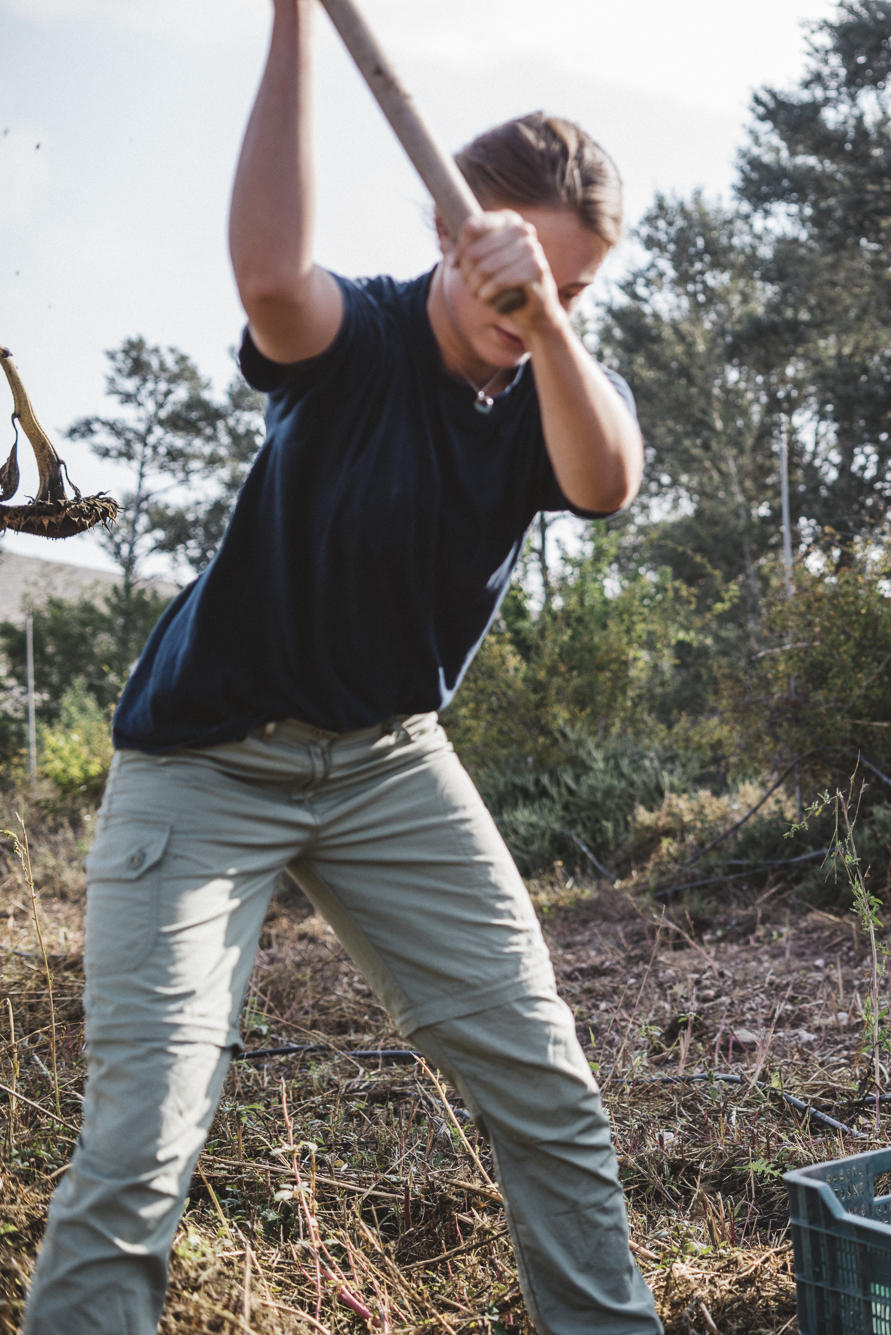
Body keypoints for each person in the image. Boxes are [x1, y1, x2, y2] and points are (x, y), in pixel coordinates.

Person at [21, 4, 664, 1331]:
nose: (541, 304)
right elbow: (268, 276)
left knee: (549, 1090)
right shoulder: (354, 338)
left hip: (389, 767)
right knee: (144, 1137)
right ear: (453, 230)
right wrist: (290, 22)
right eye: (528, 272)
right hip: (206, 764)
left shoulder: (548, 384)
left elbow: (609, 481)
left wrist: (550, 323)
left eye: (576, 289)